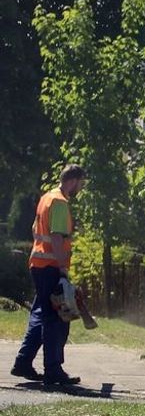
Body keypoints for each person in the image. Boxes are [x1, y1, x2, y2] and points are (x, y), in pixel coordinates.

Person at [11, 164, 86, 386]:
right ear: (73, 181)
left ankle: (23, 363)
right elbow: (56, 237)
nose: (81, 187)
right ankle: (53, 370)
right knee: (56, 318)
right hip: (51, 266)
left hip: (38, 264)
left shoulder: (46, 198)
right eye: (81, 183)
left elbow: (35, 230)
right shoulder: (60, 202)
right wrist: (62, 268)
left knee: (41, 314)